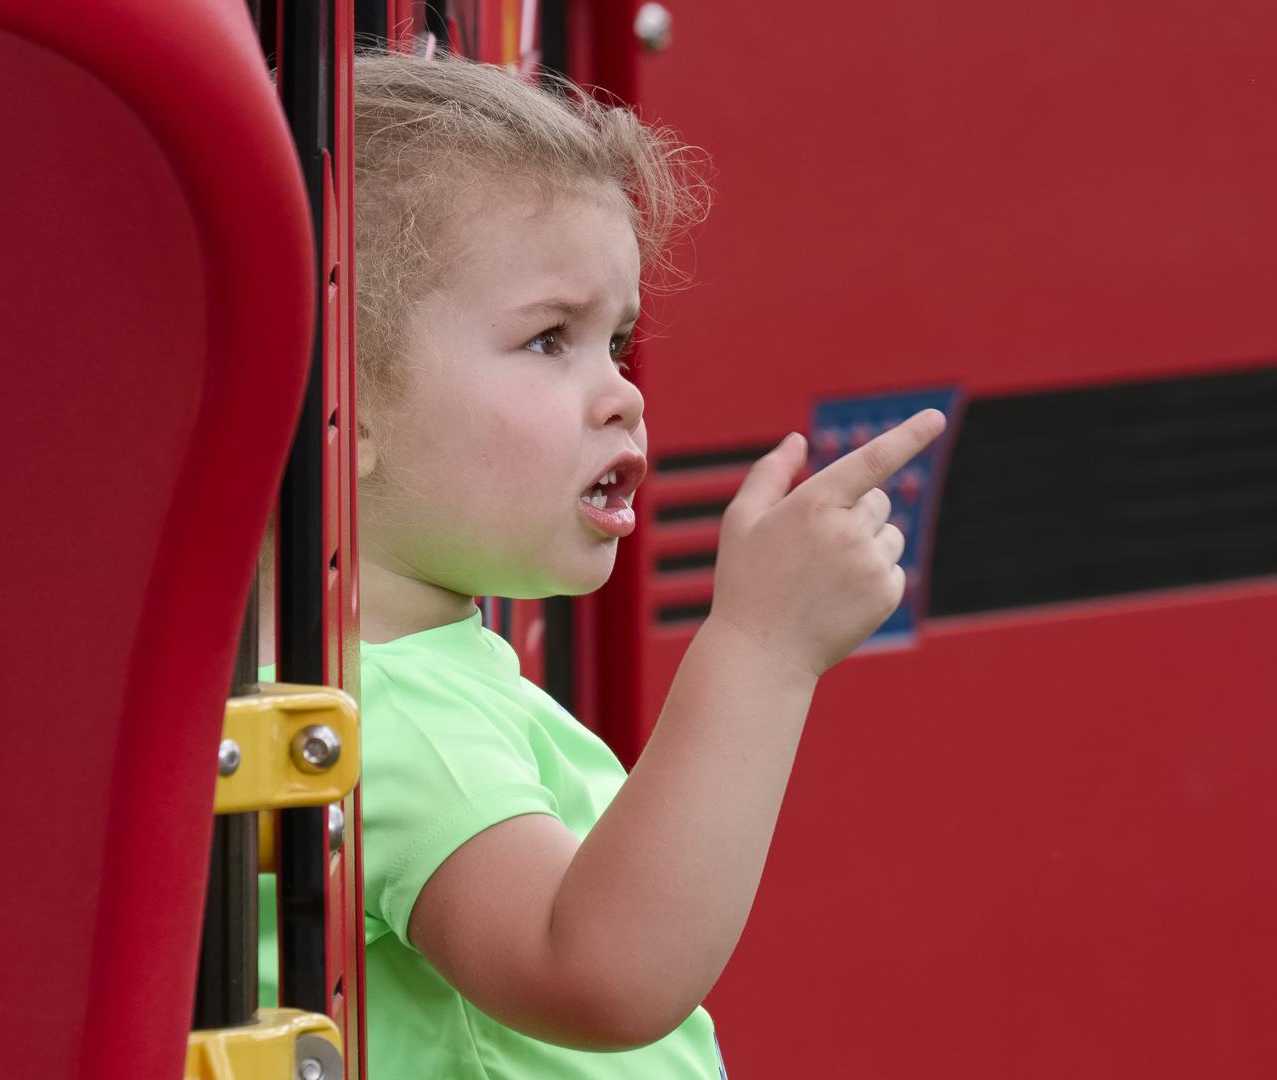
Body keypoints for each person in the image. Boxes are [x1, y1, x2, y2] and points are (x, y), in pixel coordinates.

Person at [341, 49, 946, 1078]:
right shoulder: (391, 712)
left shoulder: (422, 672)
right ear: (341, 409)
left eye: (615, 339)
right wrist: (761, 649)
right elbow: (599, 970)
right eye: (548, 341)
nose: (622, 391)